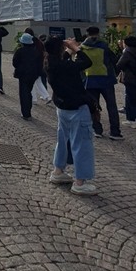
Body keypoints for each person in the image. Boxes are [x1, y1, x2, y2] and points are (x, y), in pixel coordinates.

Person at [44, 37, 97, 195]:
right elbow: (86, 62)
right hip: (77, 107)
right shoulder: (65, 66)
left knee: (63, 140)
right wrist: (76, 48)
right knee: (82, 144)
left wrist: (68, 50)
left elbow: (63, 61)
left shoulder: (50, 63)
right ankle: (80, 182)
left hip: (62, 107)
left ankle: (58, 171)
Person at [80, 25, 124, 140]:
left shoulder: (82, 47)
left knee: (93, 106)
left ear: (87, 33)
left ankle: (97, 129)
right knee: (111, 106)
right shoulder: (104, 46)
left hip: (89, 80)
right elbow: (114, 60)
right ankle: (115, 132)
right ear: (98, 33)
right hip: (106, 79)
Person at [12, 33, 43, 120]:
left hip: (22, 74)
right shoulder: (36, 51)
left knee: (23, 93)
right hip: (33, 74)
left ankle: (25, 113)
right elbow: (39, 64)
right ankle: (28, 109)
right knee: (29, 91)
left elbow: (15, 63)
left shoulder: (20, 51)